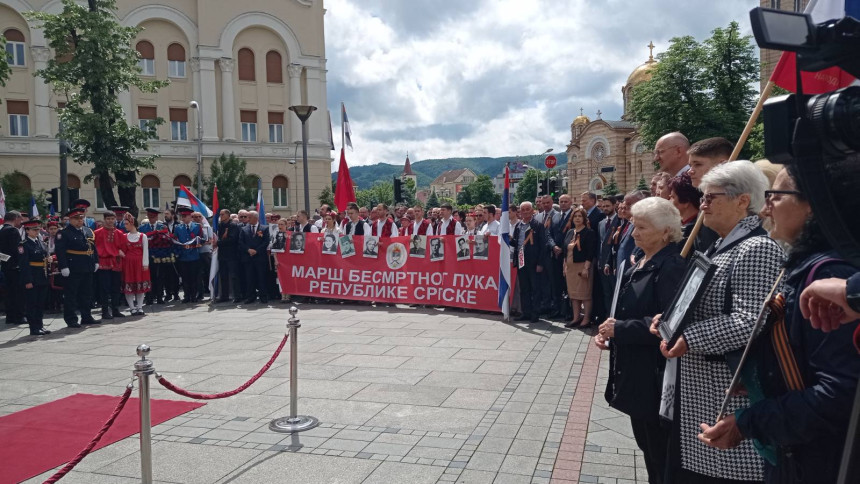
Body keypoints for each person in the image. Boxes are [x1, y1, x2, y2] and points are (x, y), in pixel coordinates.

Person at [697, 165, 860, 484]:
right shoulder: (806, 265)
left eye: (776, 195)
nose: (765, 206)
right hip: (794, 457)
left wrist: (747, 422)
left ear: (814, 204)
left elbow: (839, 395)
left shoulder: (830, 275)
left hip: (816, 462)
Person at [656, 160, 784, 483]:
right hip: (703, 392)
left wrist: (690, 336)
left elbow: (749, 320)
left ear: (743, 201)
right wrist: (671, 319)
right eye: (703, 196)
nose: (703, 204)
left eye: (711, 197)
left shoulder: (756, 248)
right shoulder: (721, 244)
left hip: (724, 398)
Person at [594, 198, 686, 484]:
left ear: (665, 232)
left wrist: (620, 329)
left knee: (659, 453)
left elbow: (669, 322)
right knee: (648, 448)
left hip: (654, 376)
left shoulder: (670, 265)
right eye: (634, 225)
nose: (634, 233)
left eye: (642, 227)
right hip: (635, 371)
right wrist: (608, 331)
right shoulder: (643, 259)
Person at [56, 207, 100, 327]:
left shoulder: (88, 231)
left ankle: (86, 316)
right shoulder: (64, 233)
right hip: (73, 267)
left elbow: (93, 248)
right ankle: (71, 319)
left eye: (81, 218)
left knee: (86, 294)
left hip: (87, 266)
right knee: (71, 295)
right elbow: (60, 251)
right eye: (76, 218)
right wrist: (63, 266)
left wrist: (96, 261)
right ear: (70, 219)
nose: (79, 220)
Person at [562, 207, 597, 328]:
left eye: (579, 216)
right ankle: (576, 317)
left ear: (584, 218)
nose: (577, 218)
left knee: (585, 294)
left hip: (583, 266)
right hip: (570, 267)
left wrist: (586, 268)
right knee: (573, 295)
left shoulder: (589, 232)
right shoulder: (570, 232)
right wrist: (564, 266)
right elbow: (565, 251)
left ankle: (586, 319)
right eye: (575, 216)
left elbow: (590, 252)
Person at [511, 201, 546, 323]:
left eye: (528, 209)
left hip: (534, 261)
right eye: (523, 209)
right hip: (521, 260)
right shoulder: (518, 226)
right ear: (520, 212)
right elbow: (517, 243)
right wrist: (509, 240)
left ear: (532, 211)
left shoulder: (538, 225)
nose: (525, 212)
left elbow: (543, 246)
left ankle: (535, 313)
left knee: (535, 288)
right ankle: (526, 312)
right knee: (524, 288)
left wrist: (540, 263)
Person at [19, 219, 52, 335]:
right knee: (32, 303)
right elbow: (24, 265)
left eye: (38, 229)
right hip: (32, 277)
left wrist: (49, 259)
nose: (37, 231)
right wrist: (28, 280)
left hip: (42, 276)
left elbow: (44, 255)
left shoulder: (40, 242)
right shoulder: (24, 245)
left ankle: (40, 325)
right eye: (34, 229)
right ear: (27, 231)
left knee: (40, 303)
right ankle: (33, 327)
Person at [94, 210, 128, 319]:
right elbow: (95, 248)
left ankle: (115, 309)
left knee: (116, 287)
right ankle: (105, 311)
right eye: (108, 219)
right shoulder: (97, 233)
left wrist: (119, 252)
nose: (110, 221)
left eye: (112, 219)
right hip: (103, 262)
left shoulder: (119, 233)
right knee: (104, 288)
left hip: (115, 262)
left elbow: (123, 248)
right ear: (104, 220)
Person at [173, 206, 205, 303]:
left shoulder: (197, 226)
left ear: (190, 217)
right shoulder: (178, 228)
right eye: (182, 216)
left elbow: (201, 239)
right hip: (183, 256)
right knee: (185, 277)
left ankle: (194, 296)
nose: (183, 218)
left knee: (194, 277)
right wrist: (177, 253)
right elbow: (175, 241)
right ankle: (187, 296)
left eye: (185, 216)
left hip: (194, 255)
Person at [0, 211, 26, 325]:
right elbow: (18, 250)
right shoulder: (13, 231)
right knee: (18, 293)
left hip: (5, 266)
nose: (21, 222)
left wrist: (6, 261)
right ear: (15, 218)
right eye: (20, 219)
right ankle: (19, 316)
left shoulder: (1, 230)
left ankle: (10, 316)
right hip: (15, 267)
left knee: (9, 293)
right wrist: (20, 262)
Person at [121, 216, 150, 315]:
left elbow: (145, 250)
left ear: (132, 223)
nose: (125, 226)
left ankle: (140, 306)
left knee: (140, 284)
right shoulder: (124, 236)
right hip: (128, 263)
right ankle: (132, 307)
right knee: (129, 285)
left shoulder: (142, 236)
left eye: (126, 224)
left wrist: (145, 263)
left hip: (139, 263)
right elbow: (122, 249)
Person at [239, 211, 269, 304]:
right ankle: (250, 296)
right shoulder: (244, 229)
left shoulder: (264, 228)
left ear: (255, 218)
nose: (247, 219)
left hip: (260, 257)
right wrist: (248, 250)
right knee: (249, 278)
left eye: (249, 217)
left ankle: (263, 296)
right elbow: (240, 242)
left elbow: (266, 241)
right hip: (248, 258)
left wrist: (256, 251)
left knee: (261, 277)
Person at [215, 209, 241, 303]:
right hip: (222, 255)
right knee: (223, 276)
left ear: (228, 215)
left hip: (231, 254)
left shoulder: (233, 225)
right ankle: (224, 296)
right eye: (220, 214)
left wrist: (218, 243)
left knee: (234, 276)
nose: (220, 216)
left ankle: (237, 296)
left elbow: (232, 239)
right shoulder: (220, 225)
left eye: (222, 214)